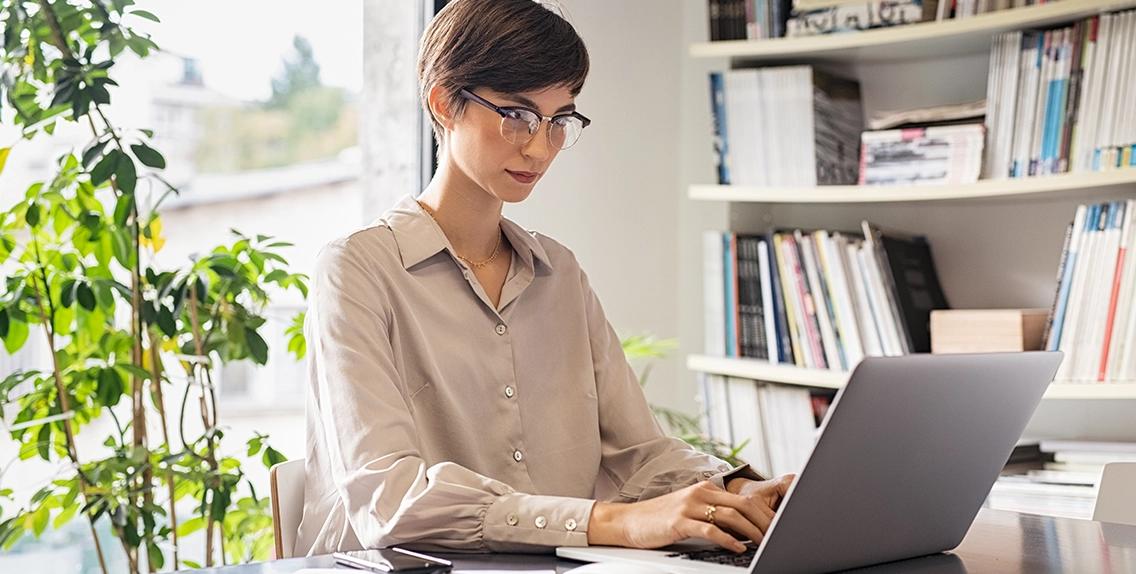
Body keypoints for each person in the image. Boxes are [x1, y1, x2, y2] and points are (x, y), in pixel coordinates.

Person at [297, 0, 793, 557]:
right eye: (517, 114)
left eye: (559, 120)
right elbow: (393, 503)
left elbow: (642, 453)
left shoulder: (560, 275)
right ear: (443, 103)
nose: (539, 146)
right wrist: (621, 523)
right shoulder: (355, 271)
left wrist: (743, 492)